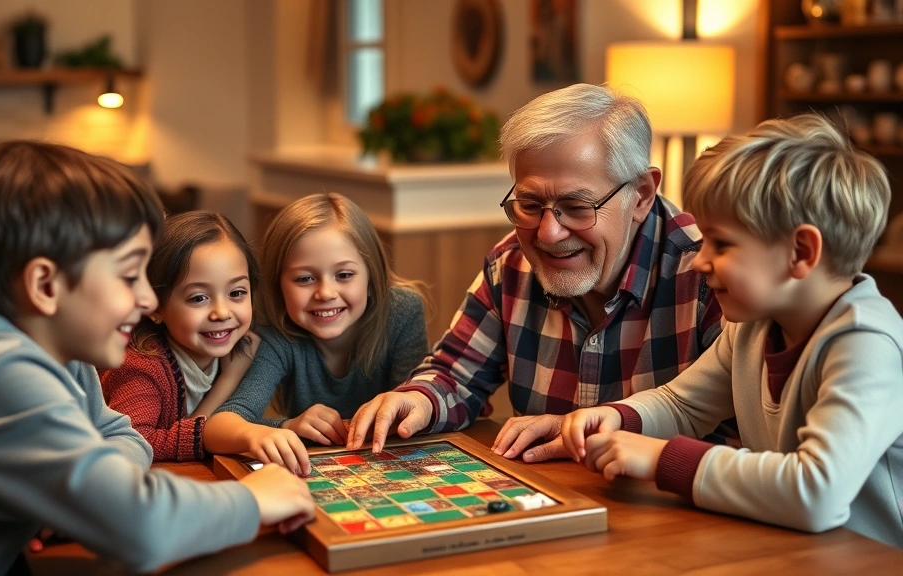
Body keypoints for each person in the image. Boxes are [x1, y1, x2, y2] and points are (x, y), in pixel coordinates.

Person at [0, 141, 314, 575]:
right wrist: (253, 499)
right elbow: (142, 528)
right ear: (45, 286)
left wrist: (94, 493)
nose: (146, 300)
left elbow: (119, 433)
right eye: (128, 276)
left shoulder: (54, 352)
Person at [556, 113, 903, 548]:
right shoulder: (756, 326)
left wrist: (665, 458)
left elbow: (817, 492)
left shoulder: (866, 344)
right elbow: (683, 405)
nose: (700, 261)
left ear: (801, 251)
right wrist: (622, 417)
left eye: (721, 244)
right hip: (792, 553)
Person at [348, 83, 724, 457]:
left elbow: (735, 437)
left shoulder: (710, 272)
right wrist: (420, 399)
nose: (548, 233)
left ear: (641, 194)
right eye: (529, 203)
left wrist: (583, 430)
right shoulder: (509, 263)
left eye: (576, 206)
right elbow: (455, 374)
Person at [206, 193, 429, 475]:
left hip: (391, 468)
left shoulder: (403, 312)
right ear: (278, 287)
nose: (325, 293)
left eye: (344, 275)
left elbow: (416, 407)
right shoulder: (275, 335)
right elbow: (219, 424)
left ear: (372, 278)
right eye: (304, 279)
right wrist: (288, 426)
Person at [101, 210, 260, 462]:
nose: (222, 312)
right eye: (199, 298)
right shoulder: (141, 368)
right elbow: (132, 441)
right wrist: (231, 377)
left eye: (237, 292)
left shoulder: (244, 345)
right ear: (155, 306)